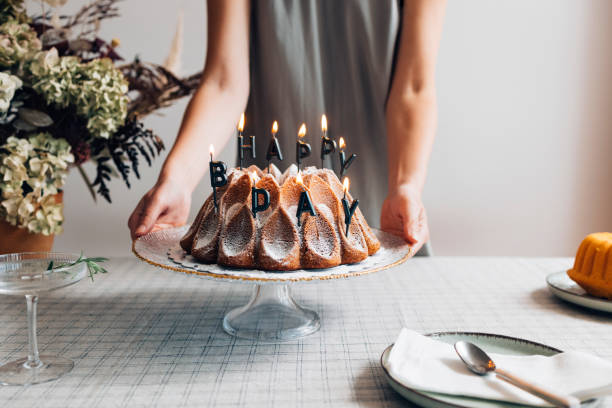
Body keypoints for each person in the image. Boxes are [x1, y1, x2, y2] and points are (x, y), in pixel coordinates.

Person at [128, 0, 446, 256]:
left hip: (380, 212)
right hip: (269, 230)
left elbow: (414, 87)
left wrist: (407, 186)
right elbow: (224, 82)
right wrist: (177, 180)